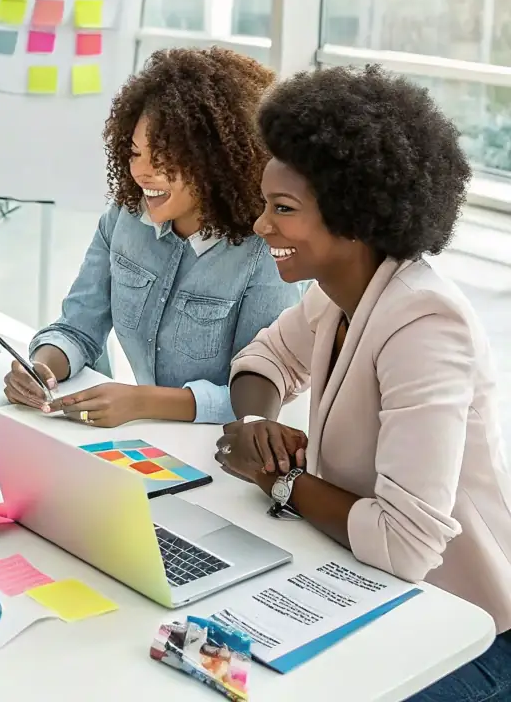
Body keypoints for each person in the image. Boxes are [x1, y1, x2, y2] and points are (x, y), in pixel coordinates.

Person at [216, 66, 511, 700]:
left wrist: (274, 477)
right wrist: (257, 425)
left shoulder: (426, 323)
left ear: (353, 217)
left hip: (467, 630)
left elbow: (406, 545)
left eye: (283, 209)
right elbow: (261, 361)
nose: (261, 224)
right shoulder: (338, 295)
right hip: (370, 587)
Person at [4, 48, 301, 427]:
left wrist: (140, 402)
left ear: (214, 160)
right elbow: (77, 328)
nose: (141, 172)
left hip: (224, 444)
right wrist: (40, 368)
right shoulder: (123, 220)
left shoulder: (267, 252)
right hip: (148, 435)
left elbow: (257, 397)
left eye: (162, 158)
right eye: (134, 153)